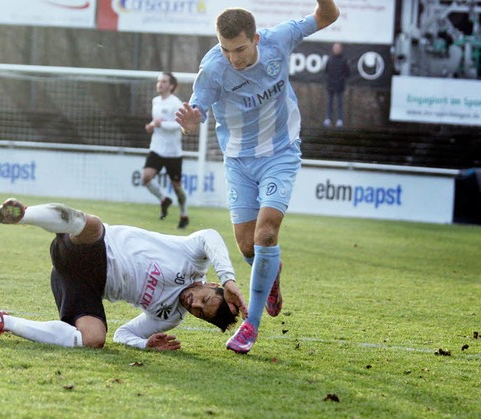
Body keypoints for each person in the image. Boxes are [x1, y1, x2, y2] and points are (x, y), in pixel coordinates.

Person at [175, 3, 340, 354]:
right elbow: (198, 111)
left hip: (280, 153)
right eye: (225, 49)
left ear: (256, 39)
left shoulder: (279, 40)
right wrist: (191, 123)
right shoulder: (213, 68)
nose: (233, 58)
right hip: (238, 160)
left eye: (240, 49)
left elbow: (327, 17)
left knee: (266, 233)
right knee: (249, 246)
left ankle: (251, 325)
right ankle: (272, 275)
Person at [0, 198, 248, 350]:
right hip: (93, 247)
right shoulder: (192, 258)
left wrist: (144, 344)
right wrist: (229, 278)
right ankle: (23, 215)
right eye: (205, 300)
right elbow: (210, 236)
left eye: (200, 313)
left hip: (80, 283)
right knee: (91, 224)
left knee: (93, 339)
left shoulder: (170, 317)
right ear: (212, 284)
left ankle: (3, 321)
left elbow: (123, 334)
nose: (195, 305)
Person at [142, 72, 190, 229]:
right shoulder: (155, 101)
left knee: (177, 187)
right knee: (146, 177)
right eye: (158, 81)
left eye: (163, 81)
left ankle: (184, 215)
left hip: (173, 152)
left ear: (171, 86)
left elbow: (180, 125)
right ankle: (164, 199)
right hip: (156, 148)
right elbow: (157, 121)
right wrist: (151, 126)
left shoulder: (176, 103)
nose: (159, 84)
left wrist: (159, 125)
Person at [323, 42, 350, 127]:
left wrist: (341, 79)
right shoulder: (329, 59)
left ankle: (340, 120)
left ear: (341, 49)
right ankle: (328, 119)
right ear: (333, 48)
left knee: (340, 104)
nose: (336, 49)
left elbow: (348, 73)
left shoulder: (344, 59)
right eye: (335, 47)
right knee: (329, 103)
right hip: (330, 85)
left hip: (340, 86)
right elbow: (326, 71)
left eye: (338, 48)